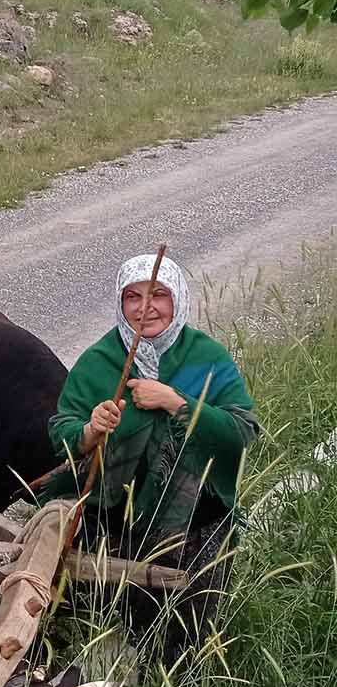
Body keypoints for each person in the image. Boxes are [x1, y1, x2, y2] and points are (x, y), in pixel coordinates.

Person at [43, 253, 260, 663]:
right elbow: (61, 432)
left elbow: (242, 432)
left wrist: (177, 402)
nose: (146, 307)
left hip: (196, 519)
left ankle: (178, 680)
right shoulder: (100, 360)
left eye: (159, 294)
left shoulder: (207, 357)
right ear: (120, 304)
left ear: (177, 298)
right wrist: (90, 430)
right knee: (104, 619)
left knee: (183, 639)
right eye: (133, 297)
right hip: (108, 520)